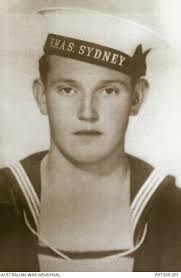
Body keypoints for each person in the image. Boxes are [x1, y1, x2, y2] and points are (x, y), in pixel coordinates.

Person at [0, 7, 181, 272]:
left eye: (108, 90)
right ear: (41, 96)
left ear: (136, 97)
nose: (87, 112)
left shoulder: (172, 213)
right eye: (67, 89)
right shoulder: (5, 201)